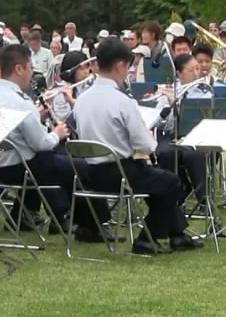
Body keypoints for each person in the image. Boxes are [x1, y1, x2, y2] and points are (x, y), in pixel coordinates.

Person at [72, 38, 201, 254]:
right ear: (120, 65)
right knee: (170, 183)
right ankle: (147, 239)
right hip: (119, 173)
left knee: (157, 182)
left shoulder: (82, 100)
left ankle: (178, 234)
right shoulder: (122, 101)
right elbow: (145, 144)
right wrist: (147, 135)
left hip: (90, 173)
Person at [0, 44, 114, 242]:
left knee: (67, 164)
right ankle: (92, 227)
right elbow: (40, 144)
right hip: (24, 166)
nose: (32, 73)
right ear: (19, 69)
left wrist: (37, 116)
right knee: (84, 167)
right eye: (29, 67)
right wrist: (57, 133)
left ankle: (66, 218)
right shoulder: (19, 101)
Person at [153, 53, 212, 207]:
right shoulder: (169, 91)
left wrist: (180, 107)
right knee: (165, 153)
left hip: (198, 136)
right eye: (191, 70)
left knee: (192, 154)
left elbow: (207, 117)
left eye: (197, 69)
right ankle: (175, 195)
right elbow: (160, 123)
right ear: (179, 73)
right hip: (173, 134)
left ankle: (204, 199)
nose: (196, 73)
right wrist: (170, 105)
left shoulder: (205, 90)